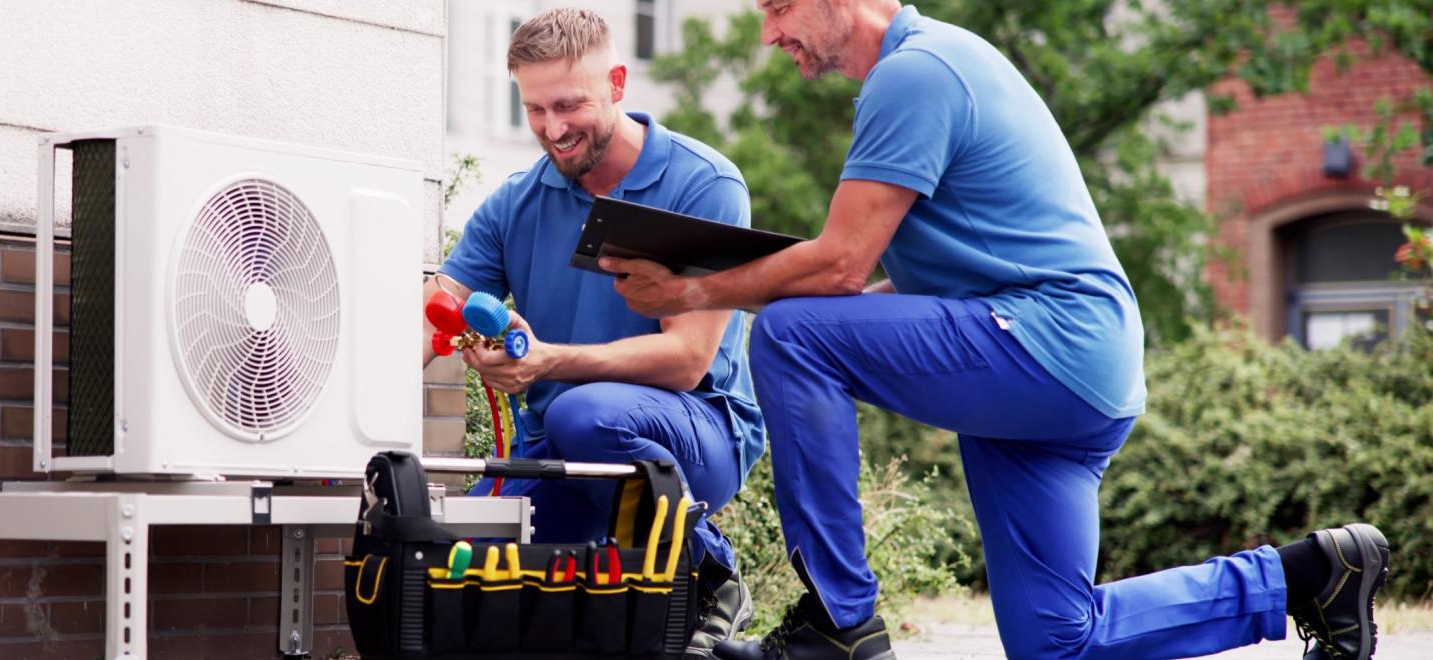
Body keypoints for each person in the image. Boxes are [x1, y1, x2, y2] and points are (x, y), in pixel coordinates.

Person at [604, 1, 1391, 659]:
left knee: (792, 334)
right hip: (1069, 367)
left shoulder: (916, 74)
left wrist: (694, 288)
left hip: (1046, 342)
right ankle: (1310, 577)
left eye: (777, 7)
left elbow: (839, 268)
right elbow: (883, 285)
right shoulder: (934, 66)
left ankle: (837, 620)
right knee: (1056, 641)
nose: (770, 34)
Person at [421, 7, 768, 655]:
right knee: (452, 571)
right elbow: (434, 309)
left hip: (692, 437)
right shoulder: (516, 203)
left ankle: (712, 569)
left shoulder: (701, 184)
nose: (553, 129)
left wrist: (544, 360)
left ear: (616, 82)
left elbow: (688, 360)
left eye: (569, 104)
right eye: (534, 109)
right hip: (557, 450)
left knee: (584, 412)